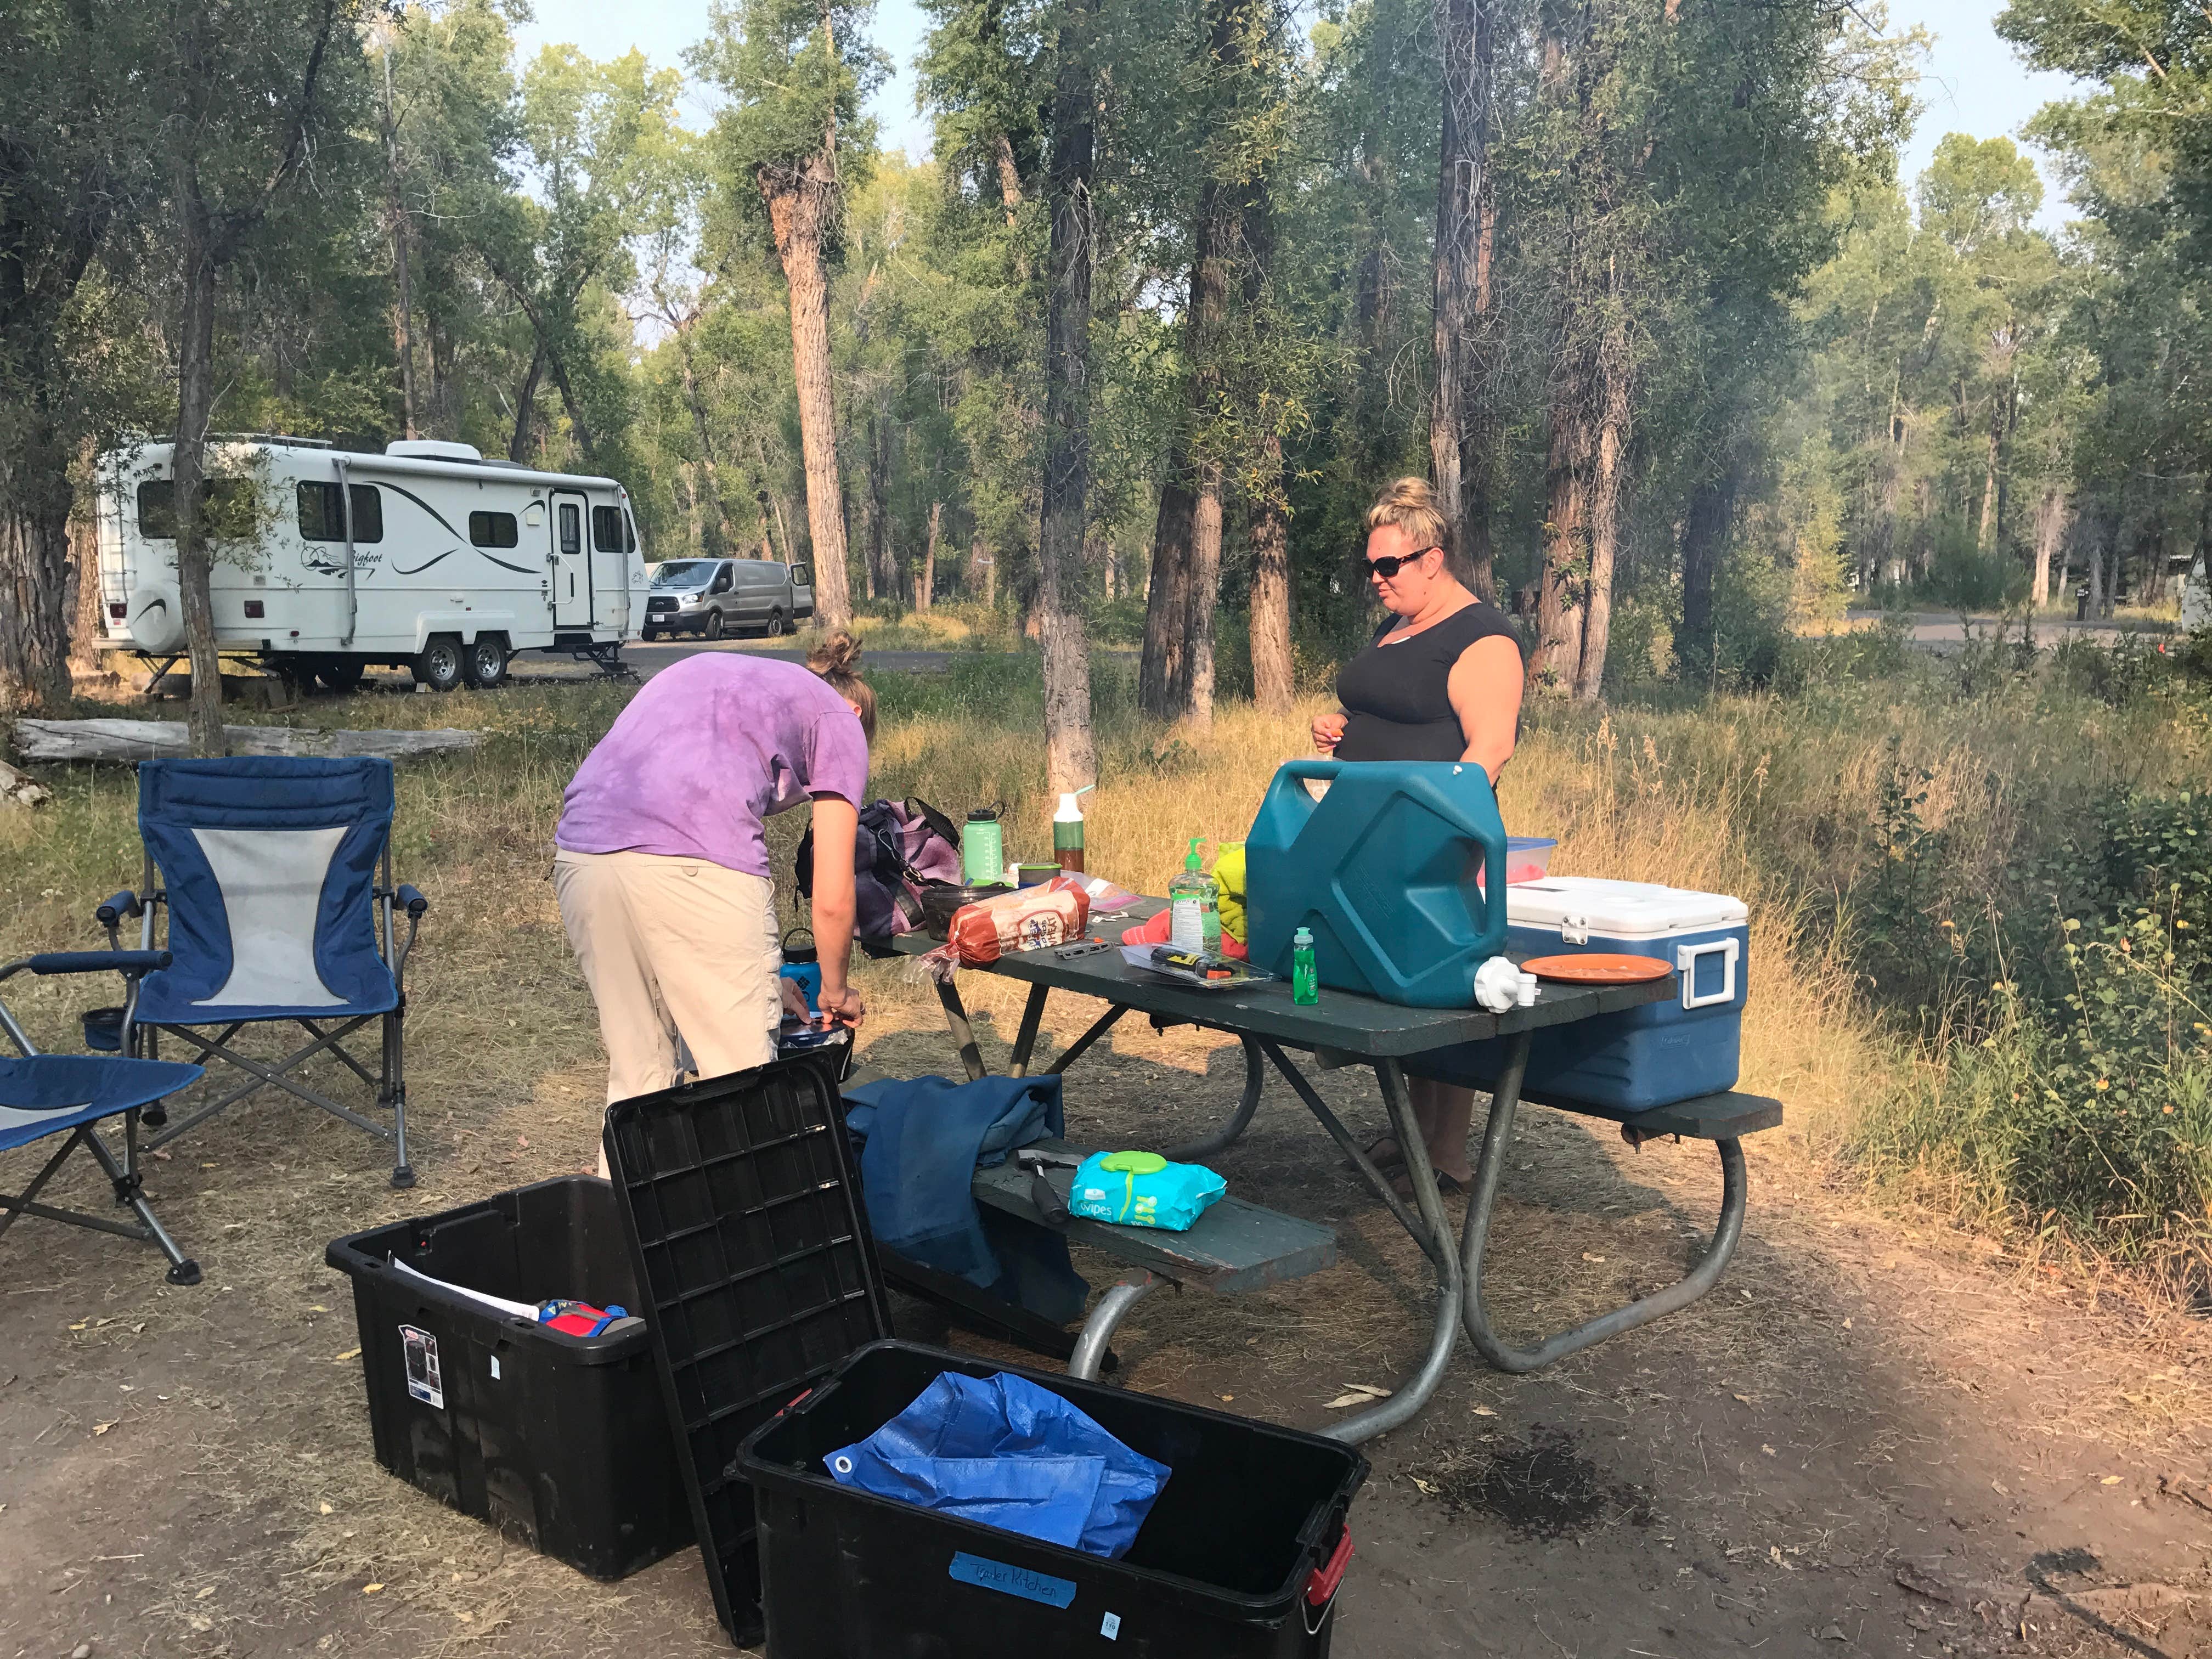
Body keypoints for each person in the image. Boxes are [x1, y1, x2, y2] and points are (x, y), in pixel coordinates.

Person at [555, 633, 874, 1170]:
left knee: (638, 1077)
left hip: (584, 857)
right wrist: (836, 992)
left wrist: (764, 981)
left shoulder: (727, 676)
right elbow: (833, 893)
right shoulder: (841, 719)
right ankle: (747, 1240)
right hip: (694, 868)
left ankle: (617, 1238)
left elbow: (666, 917)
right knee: (741, 1088)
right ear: (855, 709)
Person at [1311, 477, 1525, 1194]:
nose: (1375, 580)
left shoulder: (1482, 637)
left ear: (1432, 560)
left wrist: (1429, 829)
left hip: (1430, 838)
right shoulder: (1396, 627)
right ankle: (1413, 1137)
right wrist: (1344, 733)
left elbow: (1489, 747)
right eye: (1369, 567)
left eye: (1388, 567)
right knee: (1390, 986)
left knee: (1438, 989)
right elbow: (1397, 712)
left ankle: (1449, 1154)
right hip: (1363, 831)